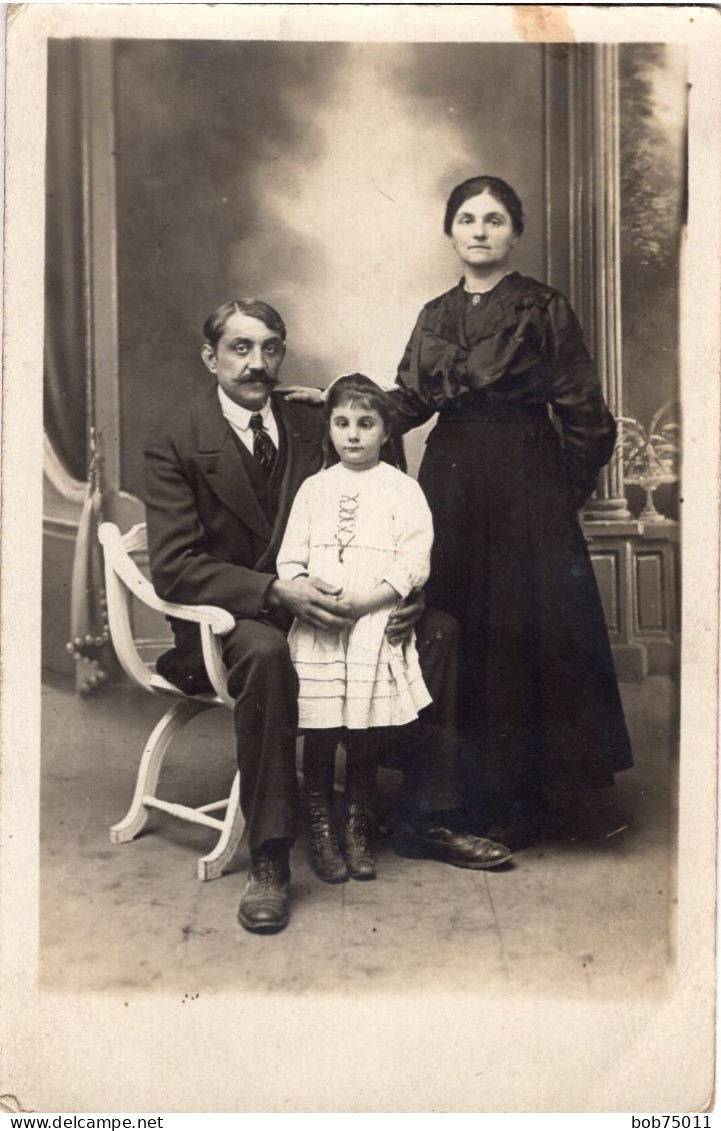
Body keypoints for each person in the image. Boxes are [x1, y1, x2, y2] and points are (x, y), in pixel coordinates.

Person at [143, 298, 511, 936]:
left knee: (440, 631)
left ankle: (423, 815)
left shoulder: (316, 417)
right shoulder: (176, 438)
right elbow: (174, 567)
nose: (257, 364)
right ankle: (269, 858)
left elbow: (380, 503)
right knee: (266, 652)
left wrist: (402, 592)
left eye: (269, 349)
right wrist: (273, 592)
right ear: (211, 358)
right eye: (239, 348)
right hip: (232, 618)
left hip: (340, 604)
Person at [390, 175, 634, 848]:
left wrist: (556, 496)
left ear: (514, 232)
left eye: (493, 219)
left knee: (520, 634)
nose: (478, 230)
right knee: (456, 625)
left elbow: (588, 417)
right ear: (450, 232)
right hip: (449, 483)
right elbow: (405, 401)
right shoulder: (435, 315)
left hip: (526, 486)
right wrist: (331, 404)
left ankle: (521, 797)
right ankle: (451, 791)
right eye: (466, 218)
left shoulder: (543, 307)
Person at [277, 374, 510, 884]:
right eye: (342, 423)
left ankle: (359, 825)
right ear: (329, 429)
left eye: (366, 424)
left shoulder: (403, 490)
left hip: (374, 623)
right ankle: (322, 828)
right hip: (320, 624)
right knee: (319, 727)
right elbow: (289, 560)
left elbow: (413, 561)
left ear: (386, 431)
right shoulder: (314, 489)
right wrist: (311, 593)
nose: (353, 435)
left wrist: (369, 602)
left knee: (364, 728)